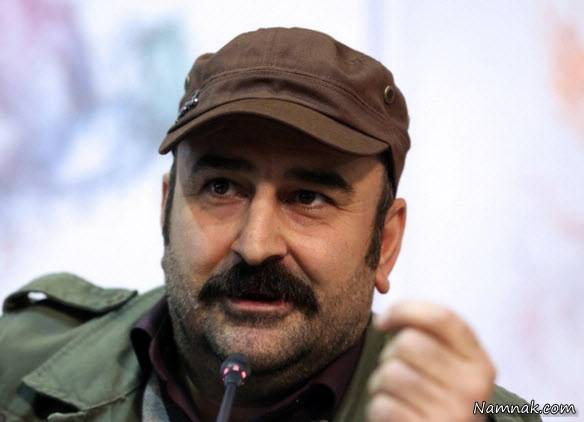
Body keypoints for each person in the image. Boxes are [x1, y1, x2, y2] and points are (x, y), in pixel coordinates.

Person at [0, 27, 538, 422]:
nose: (256, 245)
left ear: (386, 242)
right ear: (166, 210)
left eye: (308, 198)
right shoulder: (16, 363)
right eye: (221, 188)